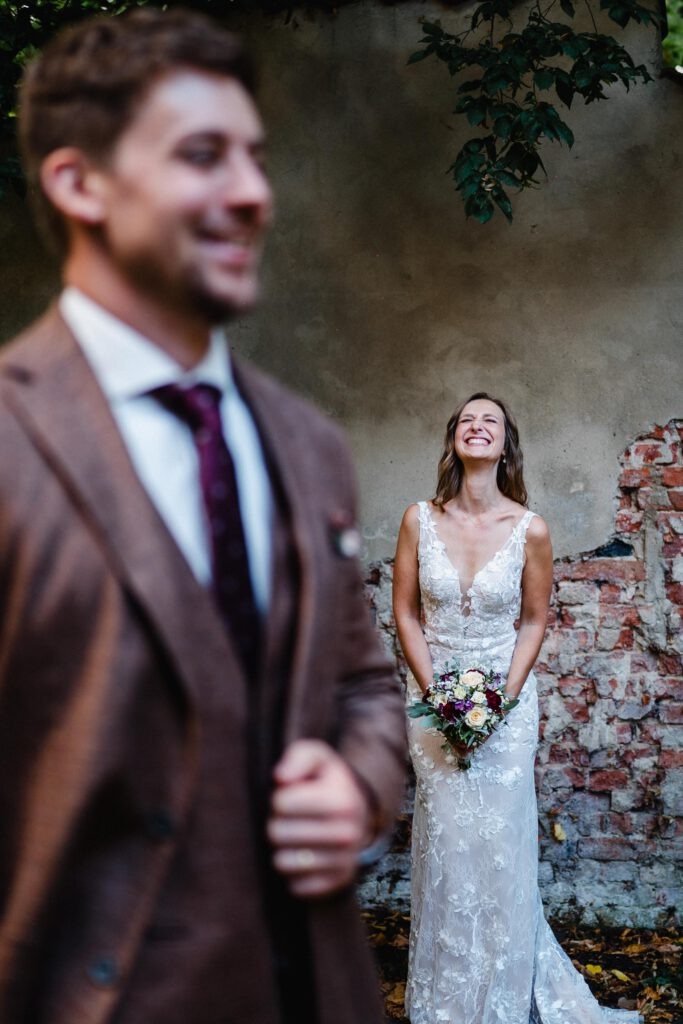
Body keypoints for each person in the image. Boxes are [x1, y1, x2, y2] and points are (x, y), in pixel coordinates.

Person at [0, 9, 406, 1024]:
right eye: (203, 157)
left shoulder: (309, 443)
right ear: (77, 182)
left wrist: (359, 782)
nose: (253, 194)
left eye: (257, 160)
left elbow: (361, 683)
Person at [393, 393, 641, 1024]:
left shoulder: (530, 529)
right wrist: (436, 697)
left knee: (500, 843)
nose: (478, 427)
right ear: (454, 438)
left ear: (506, 445)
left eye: (491, 421)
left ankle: (502, 997)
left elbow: (534, 622)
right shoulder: (418, 519)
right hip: (433, 701)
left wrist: (498, 699)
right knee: (447, 844)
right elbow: (406, 614)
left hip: (505, 703)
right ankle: (446, 999)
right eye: (468, 419)